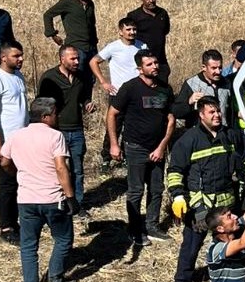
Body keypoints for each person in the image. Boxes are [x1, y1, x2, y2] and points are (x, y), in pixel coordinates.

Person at [167, 96, 245, 282]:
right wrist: (177, 196)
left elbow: (242, 163)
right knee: (191, 246)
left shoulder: (230, 136)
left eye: (218, 111)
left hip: (227, 205)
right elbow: (175, 171)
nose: (217, 115)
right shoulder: (188, 140)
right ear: (201, 115)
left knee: (231, 245)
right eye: (211, 112)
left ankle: (228, 275)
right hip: (200, 207)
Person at [1, 97, 80, 282]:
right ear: (45, 117)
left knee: (29, 245)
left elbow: (4, 161)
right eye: (55, 113)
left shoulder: (16, 135)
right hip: (53, 198)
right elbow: (61, 167)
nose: (57, 116)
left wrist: (17, 173)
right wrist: (71, 197)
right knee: (63, 239)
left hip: (26, 199)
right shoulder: (55, 137)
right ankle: (55, 278)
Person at [108, 50, 174, 246]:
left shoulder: (164, 89)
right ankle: (135, 229)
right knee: (136, 190)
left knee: (156, 188)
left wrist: (162, 146)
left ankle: (152, 226)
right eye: (149, 64)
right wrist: (114, 143)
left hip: (158, 148)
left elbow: (170, 119)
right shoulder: (130, 88)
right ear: (139, 68)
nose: (155, 66)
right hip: (135, 147)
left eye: (155, 63)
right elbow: (112, 114)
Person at [37, 45, 95, 215]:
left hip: (76, 129)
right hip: (57, 131)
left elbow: (84, 97)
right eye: (73, 59)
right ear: (62, 59)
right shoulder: (50, 77)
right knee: (57, 168)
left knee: (78, 169)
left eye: (78, 58)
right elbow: (42, 105)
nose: (77, 61)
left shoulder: (81, 77)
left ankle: (77, 204)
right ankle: (58, 201)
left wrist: (87, 104)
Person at [0, 41, 29, 245]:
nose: (20, 59)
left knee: (21, 183)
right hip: (6, 143)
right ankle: (6, 226)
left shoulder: (18, 76)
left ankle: (16, 220)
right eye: (16, 56)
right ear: (3, 57)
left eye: (21, 55)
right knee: (7, 185)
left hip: (22, 141)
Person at [92, 17, 148, 171]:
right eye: (128, 29)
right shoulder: (113, 47)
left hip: (137, 93)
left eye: (134, 29)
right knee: (114, 126)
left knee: (131, 127)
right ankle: (106, 158)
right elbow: (93, 61)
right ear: (120, 32)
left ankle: (126, 157)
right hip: (118, 93)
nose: (132, 32)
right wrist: (103, 82)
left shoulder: (142, 46)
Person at [43, 0, 98, 83]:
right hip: (76, 47)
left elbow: (92, 24)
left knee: (90, 79)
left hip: (91, 47)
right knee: (78, 78)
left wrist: (95, 41)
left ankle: (87, 100)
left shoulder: (90, 3)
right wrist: (53, 34)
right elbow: (48, 15)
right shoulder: (67, 2)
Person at [173, 50, 234, 131]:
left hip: (223, 134)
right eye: (214, 68)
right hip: (200, 136)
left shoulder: (227, 83)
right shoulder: (191, 84)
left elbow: (232, 111)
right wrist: (189, 102)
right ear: (204, 67)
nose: (218, 71)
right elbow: (176, 112)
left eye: (220, 67)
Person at [126, 0, 171, 85]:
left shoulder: (162, 13)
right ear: (142, 0)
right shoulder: (134, 16)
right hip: (143, 60)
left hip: (160, 59)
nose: (151, 1)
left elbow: (166, 30)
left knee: (162, 89)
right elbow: (129, 34)